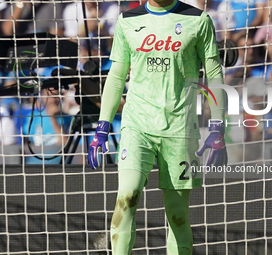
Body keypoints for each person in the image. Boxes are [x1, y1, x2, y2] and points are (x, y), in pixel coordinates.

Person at [87, 0, 227, 254]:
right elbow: (117, 75)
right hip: (136, 125)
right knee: (126, 198)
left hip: (181, 130)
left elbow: (214, 73)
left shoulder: (198, 20)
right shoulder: (127, 21)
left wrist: (218, 125)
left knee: (177, 215)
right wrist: (102, 125)